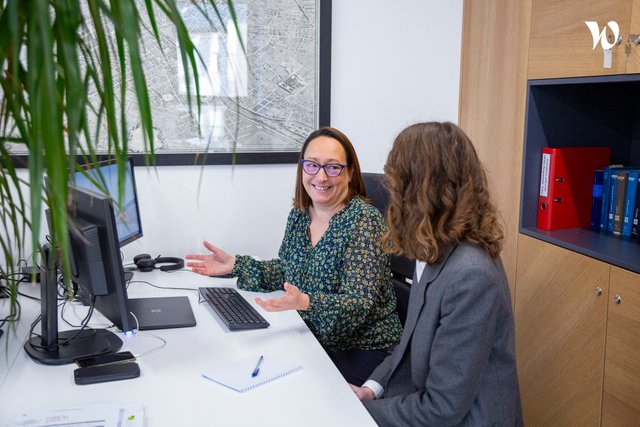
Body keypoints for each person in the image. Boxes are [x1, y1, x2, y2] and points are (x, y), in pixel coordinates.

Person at [185, 127, 403, 386]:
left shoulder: (364, 223)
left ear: (350, 172)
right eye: (312, 165)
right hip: (315, 339)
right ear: (302, 169)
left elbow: (357, 306)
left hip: (361, 350)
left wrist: (306, 302)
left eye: (333, 167)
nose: (321, 177)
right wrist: (235, 265)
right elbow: (289, 270)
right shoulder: (300, 214)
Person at [350, 122, 523, 426]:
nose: (389, 189)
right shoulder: (433, 249)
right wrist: (371, 390)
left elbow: (441, 410)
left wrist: (351, 412)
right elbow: (410, 345)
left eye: (395, 179)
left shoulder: (470, 275)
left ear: (418, 188)